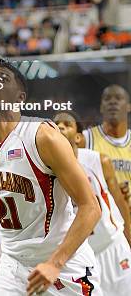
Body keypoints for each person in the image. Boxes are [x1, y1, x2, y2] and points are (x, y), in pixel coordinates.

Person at [0, 60, 102, 295]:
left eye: (3, 80)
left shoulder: (43, 137)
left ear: (20, 98)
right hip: (13, 266)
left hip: (64, 263)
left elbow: (91, 207)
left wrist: (54, 263)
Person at [55, 111, 131, 294]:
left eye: (67, 124)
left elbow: (120, 203)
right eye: (56, 125)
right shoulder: (46, 172)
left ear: (78, 137)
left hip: (112, 247)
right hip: (81, 258)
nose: (60, 127)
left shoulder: (98, 161)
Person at [83, 85, 131, 206]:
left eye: (118, 98)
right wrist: (113, 192)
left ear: (128, 106)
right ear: (101, 107)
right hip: (101, 220)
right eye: (107, 98)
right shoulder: (86, 139)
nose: (113, 102)